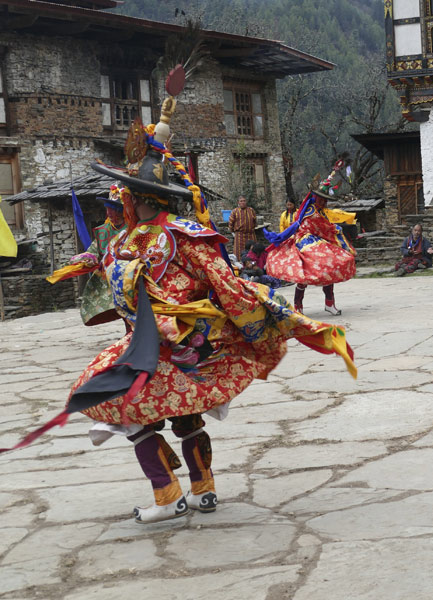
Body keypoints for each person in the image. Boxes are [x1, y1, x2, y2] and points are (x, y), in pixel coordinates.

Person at [0, 72, 356, 524]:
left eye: (126, 194)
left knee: (118, 405)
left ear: (138, 196)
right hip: (152, 346)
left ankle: (170, 495)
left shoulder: (183, 237)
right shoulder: (132, 239)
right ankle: (200, 489)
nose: (121, 200)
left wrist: (256, 326)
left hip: (179, 350)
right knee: (174, 416)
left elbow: (226, 284)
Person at [265, 165, 357, 316]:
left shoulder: (319, 211)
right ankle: (298, 306)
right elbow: (323, 227)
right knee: (305, 273)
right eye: (322, 199)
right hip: (305, 242)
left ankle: (329, 303)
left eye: (325, 200)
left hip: (318, 241)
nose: (324, 202)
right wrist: (336, 230)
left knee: (329, 265)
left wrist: (335, 230)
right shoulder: (311, 212)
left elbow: (325, 228)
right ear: (316, 198)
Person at [47, 187, 126, 326]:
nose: (109, 212)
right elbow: (94, 250)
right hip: (109, 277)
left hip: (131, 276)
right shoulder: (103, 231)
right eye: (108, 208)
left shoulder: (134, 228)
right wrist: (87, 258)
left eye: (113, 209)